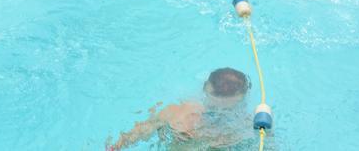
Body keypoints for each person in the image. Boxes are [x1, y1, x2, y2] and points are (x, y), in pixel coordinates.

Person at [106, 68, 255, 150]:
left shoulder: (251, 125)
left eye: (227, 110)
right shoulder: (180, 113)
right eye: (214, 107)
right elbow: (140, 130)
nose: (218, 113)